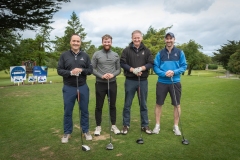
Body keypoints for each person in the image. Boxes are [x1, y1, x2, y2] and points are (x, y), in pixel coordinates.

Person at [57, 34, 93, 143]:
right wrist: (71, 73)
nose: (76, 43)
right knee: (68, 111)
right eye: (74, 41)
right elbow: (59, 70)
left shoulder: (85, 56)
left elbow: (90, 70)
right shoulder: (64, 55)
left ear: (80, 43)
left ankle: (85, 131)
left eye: (78, 41)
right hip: (69, 87)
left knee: (84, 110)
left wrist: (81, 70)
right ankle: (67, 133)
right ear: (70, 42)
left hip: (82, 87)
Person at [152, 32, 187, 135]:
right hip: (162, 82)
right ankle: (157, 125)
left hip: (175, 82)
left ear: (174, 39)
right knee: (159, 104)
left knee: (177, 105)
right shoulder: (160, 53)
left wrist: (174, 72)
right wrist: (163, 73)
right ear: (165, 40)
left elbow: (184, 66)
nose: (169, 40)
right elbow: (155, 67)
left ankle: (176, 126)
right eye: (167, 39)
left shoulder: (180, 52)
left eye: (170, 38)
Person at [120, 30, 154, 135]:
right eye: (135, 37)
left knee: (143, 104)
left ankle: (145, 125)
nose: (136, 39)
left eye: (138, 37)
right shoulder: (126, 50)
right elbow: (122, 63)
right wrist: (133, 70)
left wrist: (141, 69)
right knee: (127, 104)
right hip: (130, 80)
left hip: (142, 81)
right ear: (132, 38)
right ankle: (126, 125)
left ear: (141, 38)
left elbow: (151, 63)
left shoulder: (147, 51)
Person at [91, 34, 121, 136]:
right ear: (102, 42)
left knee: (112, 106)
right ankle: (98, 126)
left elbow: (119, 70)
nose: (107, 43)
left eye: (108, 41)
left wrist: (112, 74)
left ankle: (113, 126)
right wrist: (101, 75)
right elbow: (92, 69)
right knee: (99, 106)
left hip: (112, 83)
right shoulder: (96, 54)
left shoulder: (116, 55)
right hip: (100, 83)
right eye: (105, 41)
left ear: (111, 43)